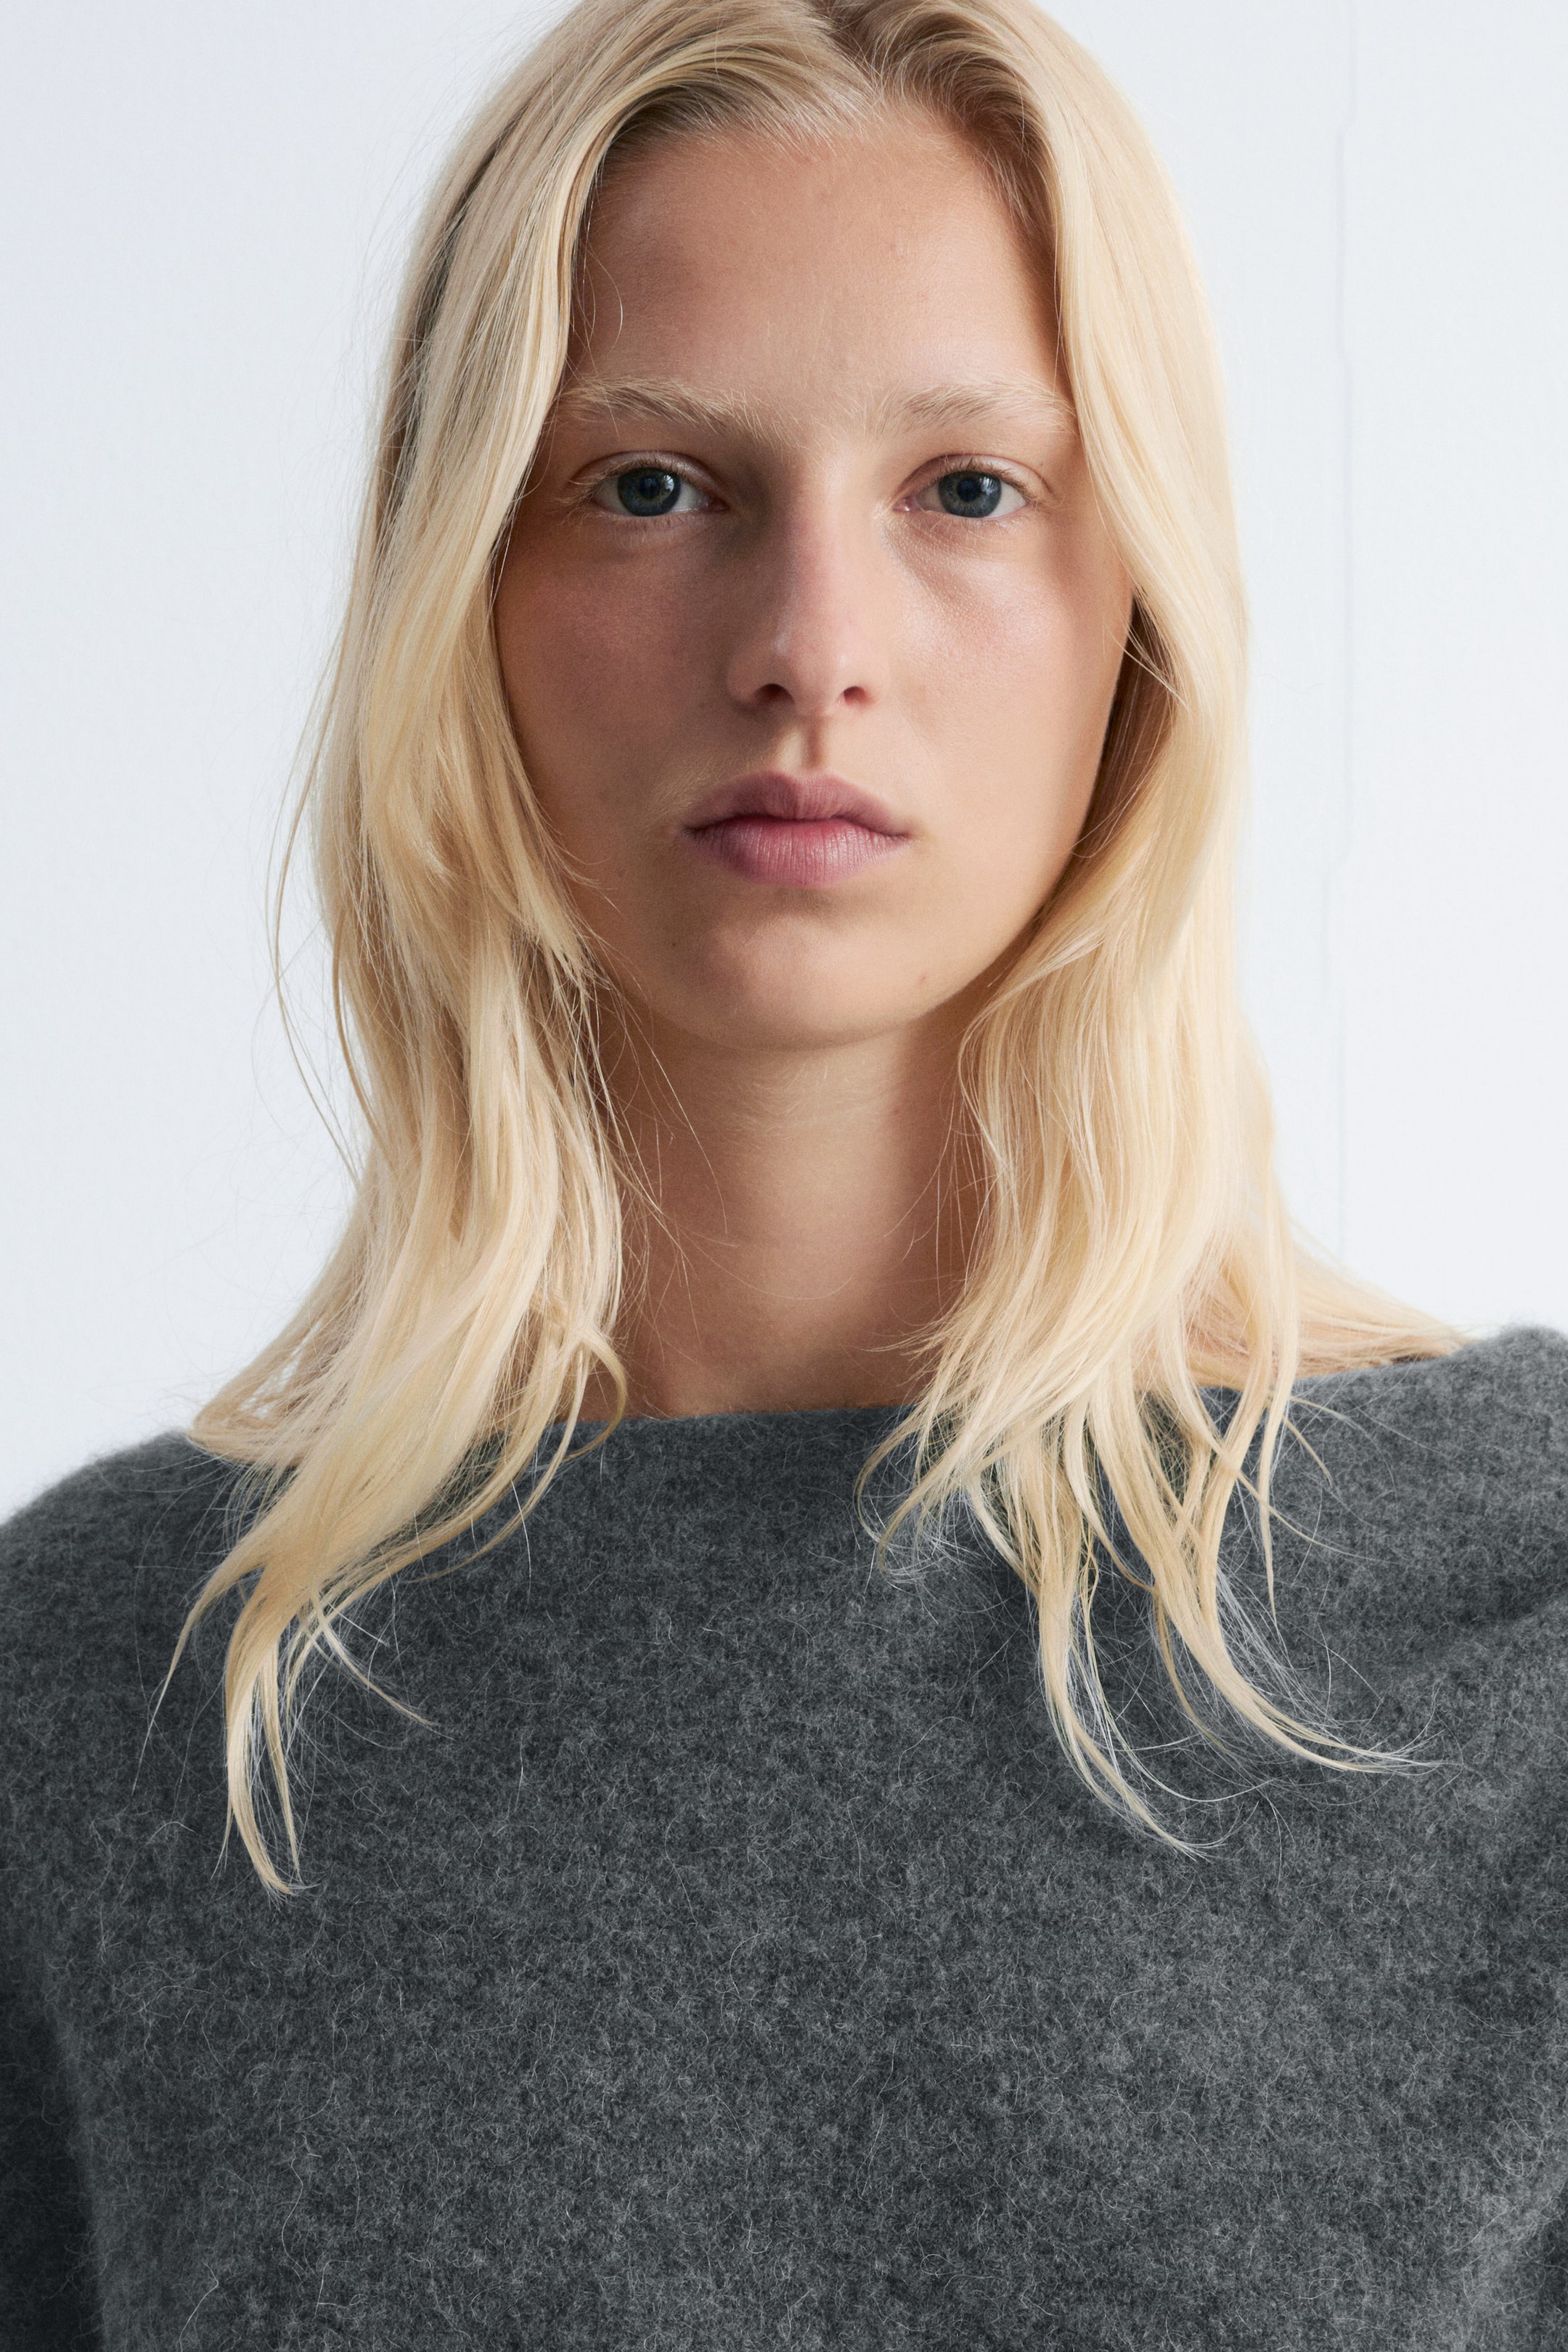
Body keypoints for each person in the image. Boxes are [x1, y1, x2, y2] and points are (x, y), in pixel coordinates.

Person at [2, 0, 1564, 2341]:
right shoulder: (118, 1695)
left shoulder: (1525, 1607)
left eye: (968, 490)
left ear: (1138, 608)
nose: (811, 646)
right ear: (465, 591)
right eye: (653, 486)